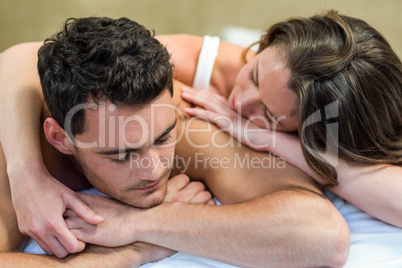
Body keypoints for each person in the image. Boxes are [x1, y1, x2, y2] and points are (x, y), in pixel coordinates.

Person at [0, 17, 349, 267]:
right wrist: (127, 253)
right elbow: (16, 57)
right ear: (60, 138)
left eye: (164, 138)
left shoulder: (178, 115)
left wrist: (138, 224)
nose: (154, 169)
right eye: (120, 155)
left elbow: (322, 236)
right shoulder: (13, 163)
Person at [179, 10, 402, 227]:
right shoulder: (198, 60)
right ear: (267, 44)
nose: (240, 103)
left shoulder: (318, 138)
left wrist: (271, 140)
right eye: (254, 76)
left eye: (269, 114)